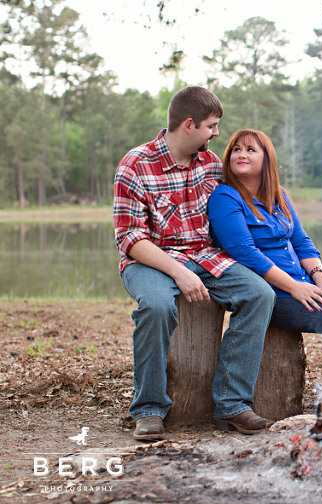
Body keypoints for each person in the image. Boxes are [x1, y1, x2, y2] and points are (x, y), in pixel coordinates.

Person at [113, 87, 276, 441]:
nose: (217, 133)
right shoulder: (135, 165)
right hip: (152, 260)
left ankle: (232, 404)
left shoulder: (211, 164)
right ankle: (150, 409)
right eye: (212, 126)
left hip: (205, 255)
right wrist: (178, 272)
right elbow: (130, 239)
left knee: (260, 294)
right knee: (156, 305)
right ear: (189, 125)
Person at [207, 129, 322, 375]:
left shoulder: (278, 194)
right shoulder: (225, 197)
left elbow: (301, 241)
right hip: (273, 292)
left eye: (250, 150)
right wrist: (293, 287)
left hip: (304, 278)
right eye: (236, 149)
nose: (240, 155)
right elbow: (244, 252)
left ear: (267, 159)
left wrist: (321, 279)